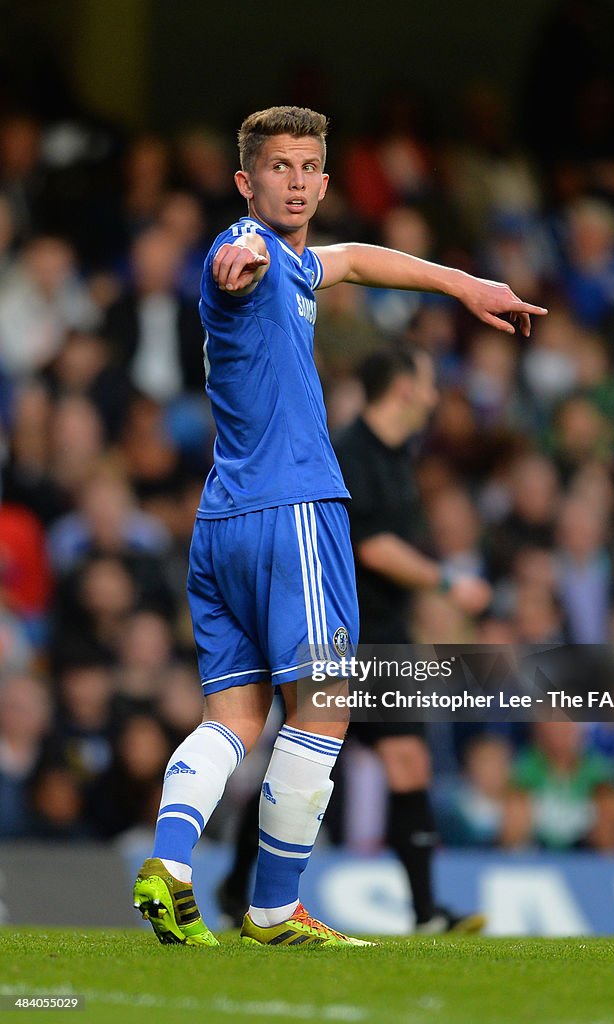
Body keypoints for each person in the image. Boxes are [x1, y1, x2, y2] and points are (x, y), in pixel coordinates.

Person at [132, 105, 546, 949]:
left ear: (324, 180)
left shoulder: (298, 263)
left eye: (307, 167)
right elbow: (226, 267)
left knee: (237, 716)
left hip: (224, 519)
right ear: (247, 182)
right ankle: (275, 910)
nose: (294, 180)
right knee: (323, 709)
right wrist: (234, 257)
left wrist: (466, 285)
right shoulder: (244, 255)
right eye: (277, 167)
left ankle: (170, 865)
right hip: (291, 513)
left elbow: (354, 259)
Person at [335, 347, 491, 932]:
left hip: (387, 633)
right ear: (402, 388)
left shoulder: (401, 456)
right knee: (304, 765)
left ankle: (426, 913)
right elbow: (369, 544)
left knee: (409, 761)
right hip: (339, 633)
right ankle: (234, 882)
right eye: (427, 384)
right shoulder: (350, 453)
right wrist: (446, 580)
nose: (433, 396)